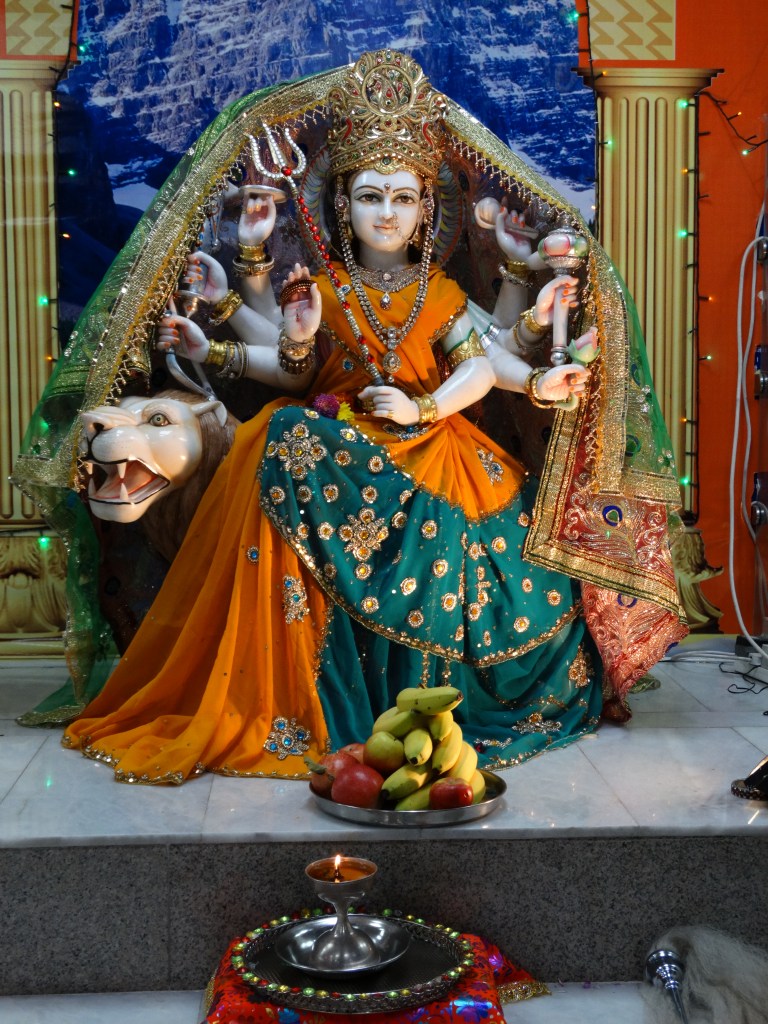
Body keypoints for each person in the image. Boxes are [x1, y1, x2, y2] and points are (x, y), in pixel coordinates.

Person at [15, 50, 686, 781]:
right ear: (344, 205)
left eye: (403, 198)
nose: (387, 214)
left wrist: (498, 393)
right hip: (344, 447)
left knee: (317, 452)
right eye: (371, 197)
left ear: (426, 209)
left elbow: (484, 363)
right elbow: (296, 370)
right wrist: (239, 341)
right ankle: (301, 687)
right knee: (285, 430)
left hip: (440, 453)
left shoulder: (439, 294)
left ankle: (421, 701)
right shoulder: (328, 291)